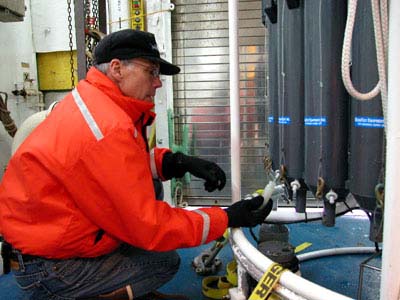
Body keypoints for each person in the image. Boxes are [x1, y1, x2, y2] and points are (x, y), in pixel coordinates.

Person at [0, 29, 273, 300]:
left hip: (48, 239)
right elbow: (148, 226)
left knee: (150, 190)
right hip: (48, 267)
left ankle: (122, 288)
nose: (158, 83)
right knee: (161, 261)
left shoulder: (95, 103)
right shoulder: (107, 126)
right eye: (151, 72)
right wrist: (226, 218)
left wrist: (178, 162)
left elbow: (117, 167)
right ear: (117, 69)